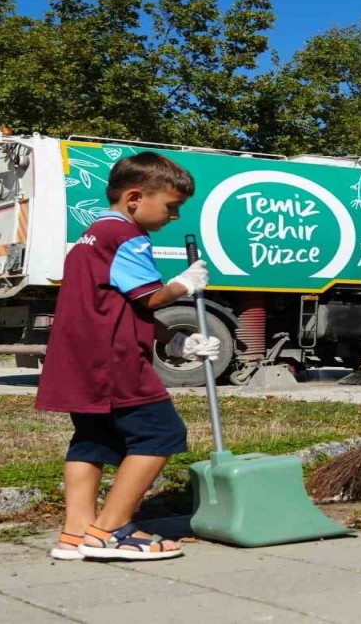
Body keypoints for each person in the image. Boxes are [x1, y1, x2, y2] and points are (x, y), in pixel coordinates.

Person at [36, 152, 222, 561]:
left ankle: (76, 532)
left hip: (80, 359)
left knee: (93, 440)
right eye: (171, 206)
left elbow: (120, 306)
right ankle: (111, 531)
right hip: (114, 361)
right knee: (161, 434)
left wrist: (176, 341)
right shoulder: (127, 237)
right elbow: (150, 297)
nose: (174, 216)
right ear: (135, 198)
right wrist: (185, 284)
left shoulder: (92, 236)